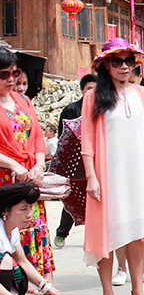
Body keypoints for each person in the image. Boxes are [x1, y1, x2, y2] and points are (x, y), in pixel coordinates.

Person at [81, 38, 144, 295]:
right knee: (107, 229)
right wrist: (91, 176)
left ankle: (137, 288)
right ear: (106, 65)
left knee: (139, 230)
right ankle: (107, 292)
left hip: (138, 171)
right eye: (118, 61)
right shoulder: (93, 97)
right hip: (108, 173)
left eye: (129, 60)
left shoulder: (143, 94)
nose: (125, 66)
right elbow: (87, 140)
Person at [0, 47, 75, 295]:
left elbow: (37, 138)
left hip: (30, 178)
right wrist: (12, 164)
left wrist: (40, 164)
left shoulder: (23, 101)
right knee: (7, 239)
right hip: (5, 181)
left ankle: (48, 290)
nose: (12, 79)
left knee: (36, 231)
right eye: (4, 74)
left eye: (15, 73)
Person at [0, 182, 75, 295]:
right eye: (23, 209)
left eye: (31, 207)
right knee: (5, 262)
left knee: (17, 271)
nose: (30, 214)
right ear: (5, 210)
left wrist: (46, 287)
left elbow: (23, 261)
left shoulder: (12, 229)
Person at [53, 73, 97, 249]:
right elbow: (63, 137)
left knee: (97, 199)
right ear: (82, 90)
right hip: (76, 161)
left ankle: (94, 237)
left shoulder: (102, 110)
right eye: (89, 89)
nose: (93, 92)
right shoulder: (71, 110)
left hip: (97, 161)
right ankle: (62, 232)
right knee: (73, 197)